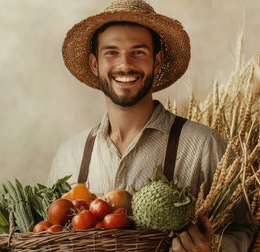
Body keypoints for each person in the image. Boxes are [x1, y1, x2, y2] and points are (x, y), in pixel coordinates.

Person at [47, 0, 254, 251]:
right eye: (111, 52)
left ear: (157, 62)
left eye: (138, 52)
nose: (125, 64)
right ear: (94, 64)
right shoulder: (69, 155)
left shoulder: (202, 145)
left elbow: (244, 232)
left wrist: (214, 248)